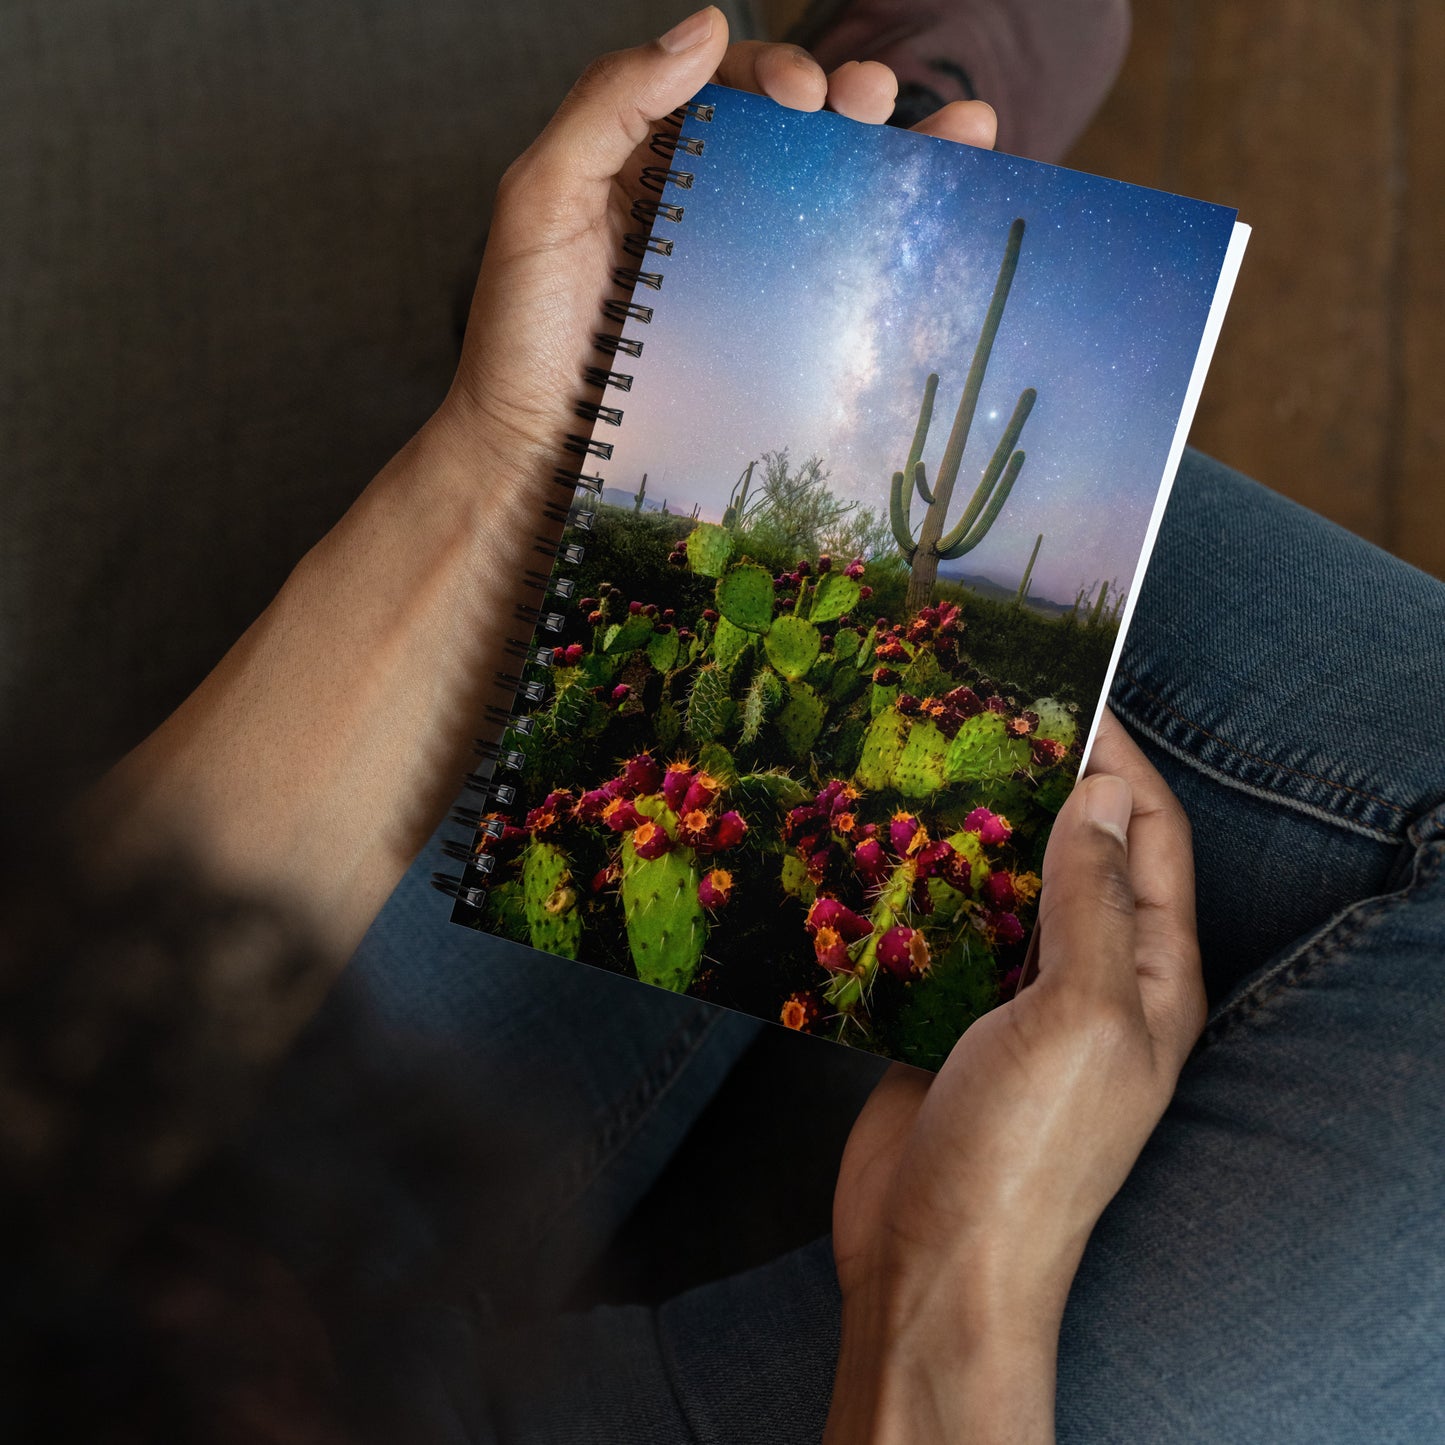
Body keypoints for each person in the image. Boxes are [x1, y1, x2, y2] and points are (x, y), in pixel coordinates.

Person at [4, 7, 1442, 1442]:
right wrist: (947, 1296)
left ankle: (675, 348)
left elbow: (45, 1075)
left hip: (139, 1284)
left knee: (650, 679)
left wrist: (497, 464)